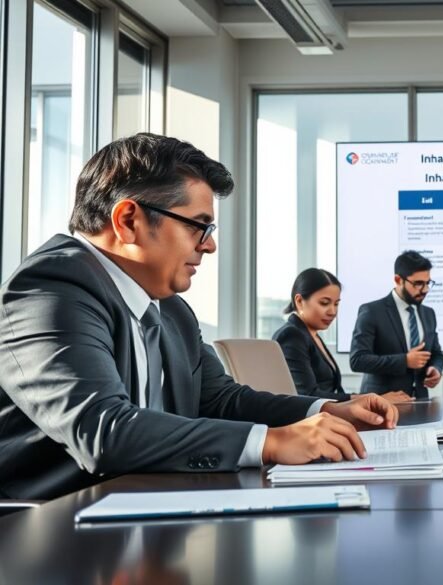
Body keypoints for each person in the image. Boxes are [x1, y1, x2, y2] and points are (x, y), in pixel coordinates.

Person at [0, 133, 397, 501]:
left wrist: (323, 411)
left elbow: (221, 399)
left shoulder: (169, 307)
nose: (210, 246)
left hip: (147, 509)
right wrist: (271, 442)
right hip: (52, 531)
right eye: (198, 226)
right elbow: (104, 430)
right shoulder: (49, 289)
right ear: (128, 221)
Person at [273, 268, 410, 403]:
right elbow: (308, 395)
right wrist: (369, 398)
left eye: (336, 304)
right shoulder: (292, 335)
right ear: (299, 301)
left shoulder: (311, 334)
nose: (332, 311)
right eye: (324, 303)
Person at [349, 251, 443, 399]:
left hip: (420, 401)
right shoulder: (372, 311)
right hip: (380, 402)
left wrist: (435, 368)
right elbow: (357, 360)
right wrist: (405, 361)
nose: (425, 290)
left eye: (427, 283)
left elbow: (436, 353)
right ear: (398, 279)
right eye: (418, 283)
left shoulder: (428, 313)